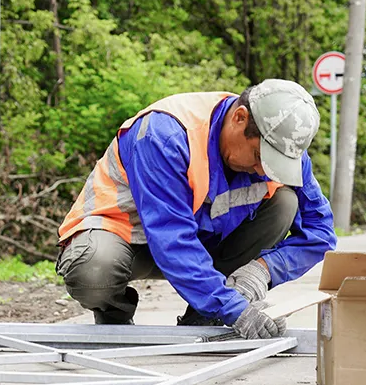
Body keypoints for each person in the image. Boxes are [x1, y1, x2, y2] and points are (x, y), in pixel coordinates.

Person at [55, 79, 337, 339]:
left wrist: (263, 271)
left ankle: (203, 317)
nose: (264, 170)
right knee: (93, 272)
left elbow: (321, 233)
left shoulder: (282, 148)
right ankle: (114, 317)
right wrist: (234, 309)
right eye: (258, 156)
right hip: (129, 238)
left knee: (285, 202)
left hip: (198, 242)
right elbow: (172, 239)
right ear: (240, 118)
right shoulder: (165, 135)